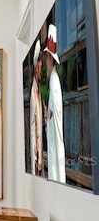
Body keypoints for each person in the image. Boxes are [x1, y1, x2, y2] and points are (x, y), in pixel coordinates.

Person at [43, 24, 66, 182]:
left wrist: (48, 115)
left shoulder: (54, 81)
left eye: (46, 59)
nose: (45, 63)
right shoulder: (53, 80)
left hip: (54, 136)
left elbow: (55, 112)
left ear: (50, 58)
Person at [29, 40, 43, 176]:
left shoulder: (39, 90)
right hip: (36, 152)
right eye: (39, 69)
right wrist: (35, 156)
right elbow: (33, 128)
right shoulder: (33, 93)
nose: (41, 72)